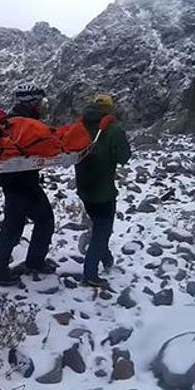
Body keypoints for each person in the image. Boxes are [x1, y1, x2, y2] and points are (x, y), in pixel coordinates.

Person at [0, 83, 57, 286]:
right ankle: (9, 269)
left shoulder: (9, 121)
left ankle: (3, 269)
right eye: (42, 101)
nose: (44, 105)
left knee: (16, 225)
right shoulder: (27, 123)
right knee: (39, 221)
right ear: (32, 102)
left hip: (14, 180)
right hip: (22, 181)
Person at [74, 94, 131, 288]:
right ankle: (90, 274)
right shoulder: (114, 131)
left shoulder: (78, 127)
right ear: (109, 109)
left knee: (99, 226)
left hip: (84, 187)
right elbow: (124, 157)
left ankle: (107, 260)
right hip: (103, 190)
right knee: (103, 230)